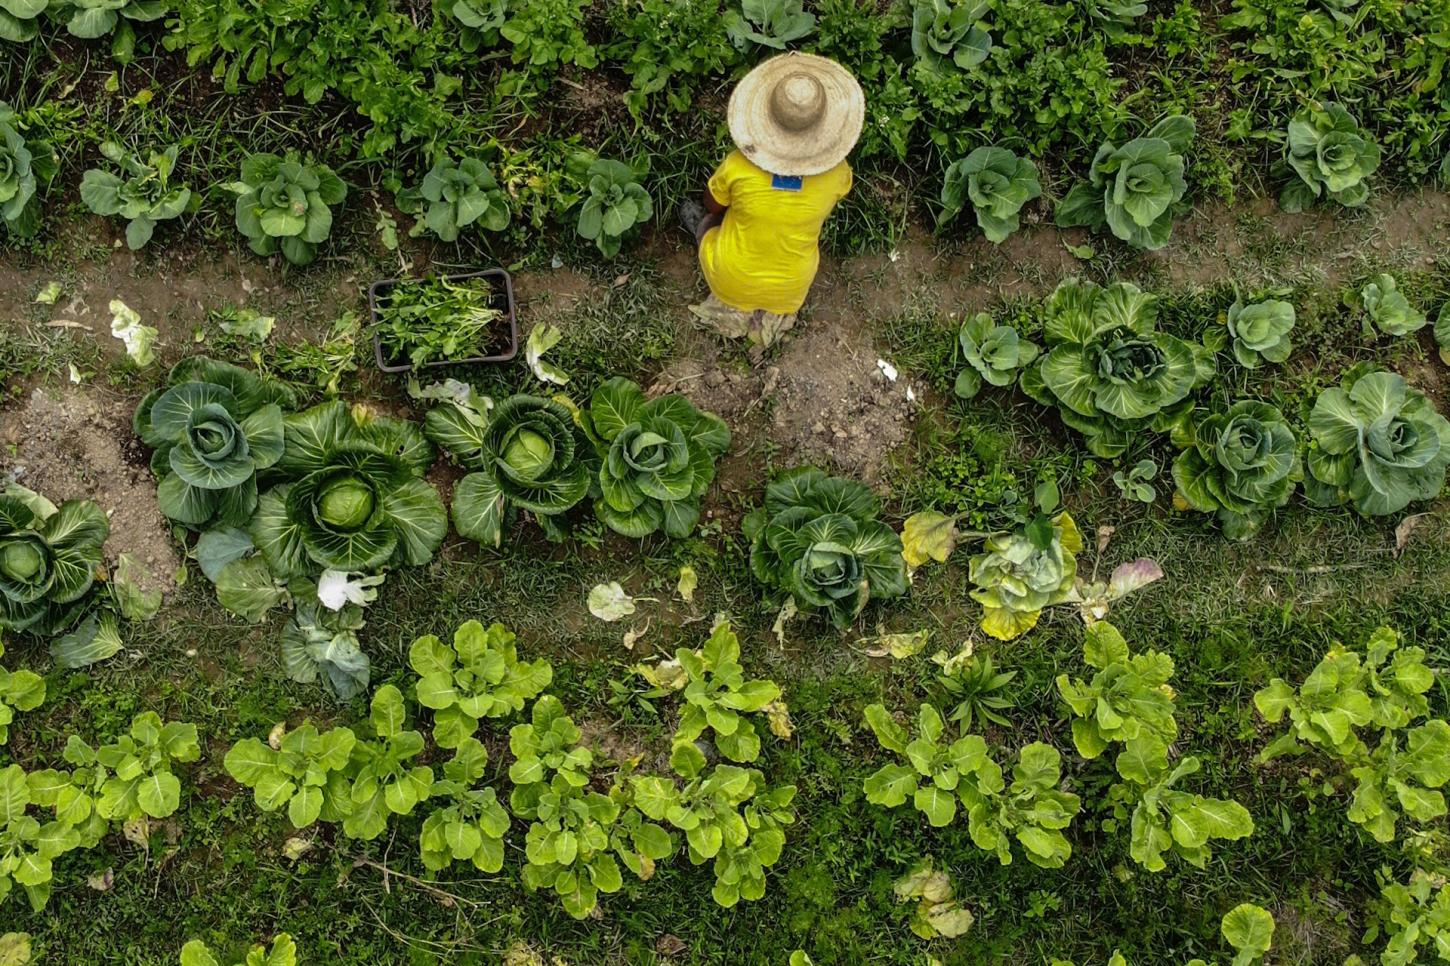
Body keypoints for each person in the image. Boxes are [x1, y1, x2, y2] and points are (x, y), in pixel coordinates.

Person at [681, 52, 865, 348]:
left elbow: (713, 204)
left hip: (731, 279)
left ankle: (707, 244)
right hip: (791, 290)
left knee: (707, 220)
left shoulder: (738, 166)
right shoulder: (838, 175)